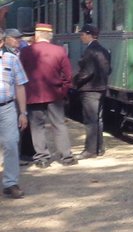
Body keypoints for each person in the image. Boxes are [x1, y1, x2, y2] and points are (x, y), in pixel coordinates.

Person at [20, 23, 76, 168]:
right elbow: (68, 75)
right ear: (50, 36)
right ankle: (66, 156)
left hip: (33, 94)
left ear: (37, 35)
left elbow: (21, 75)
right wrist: (62, 90)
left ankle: (42, 158)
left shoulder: (26, 52)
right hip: (55, 94)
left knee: (37, 127)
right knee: (59, 125)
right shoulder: (59, 51)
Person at [73, 25, 111, 158]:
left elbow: (88, 71)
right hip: (101, 88)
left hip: (90, 89)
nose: (81, 37)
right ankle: (99, 148)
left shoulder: (90, 51)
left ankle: (90, 150)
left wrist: (75, 81)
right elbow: (108, 69)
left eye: (82, 34)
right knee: (98, 119)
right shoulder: (104, 50)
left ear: (89, 35)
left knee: (90, 121)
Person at [0, 39, 30, 197]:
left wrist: (23, 113)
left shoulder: (11, 59)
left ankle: (10, 183)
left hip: (7, 107)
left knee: (11, 143)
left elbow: (20, 86)